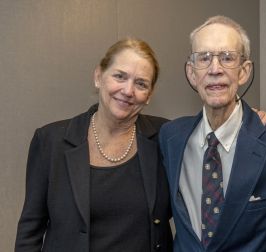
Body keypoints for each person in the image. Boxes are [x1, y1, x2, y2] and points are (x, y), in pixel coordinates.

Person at [159, 16, 266, 251]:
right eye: (204, 58)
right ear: (191, 73)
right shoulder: (171, 137)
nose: (215, 69)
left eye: (227, 58)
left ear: (244, 71)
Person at [15, 38, 173, 251]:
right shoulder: (50, 141)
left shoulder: (166, 138)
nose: (128, 91)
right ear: (98, 76)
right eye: (119, 76)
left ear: (149, 95)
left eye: (141, 83)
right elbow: (30, 231)